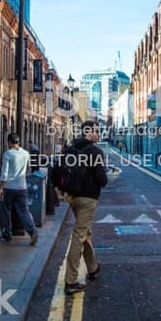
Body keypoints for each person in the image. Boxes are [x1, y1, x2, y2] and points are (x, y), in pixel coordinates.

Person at [63, 121, 108, 295]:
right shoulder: (95, 152)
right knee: (78, 236)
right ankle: (71, 281)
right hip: (88, 199)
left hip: (73, 198)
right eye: (97, 131)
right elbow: (102, 179)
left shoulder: (72, 149)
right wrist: (105, 174)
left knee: (85, 233)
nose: (99, 134)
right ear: (89, 133)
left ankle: (93, 268)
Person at [0, 133, 39, 245]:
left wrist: (0, 188)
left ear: (9, 142)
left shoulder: (8, 154)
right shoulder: (26, 154)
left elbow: (4, 173)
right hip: (22, 187)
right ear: (18, 142)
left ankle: (6, 234)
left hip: (10, 188)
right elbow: (28, 169)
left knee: (6, 210)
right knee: (24, 212)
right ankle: (33, 231)